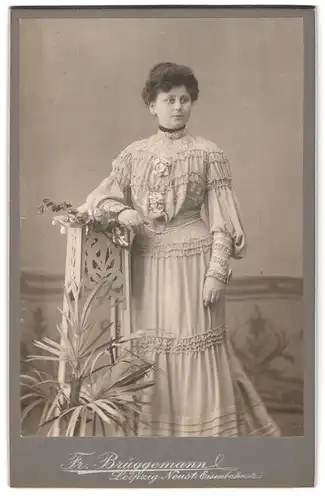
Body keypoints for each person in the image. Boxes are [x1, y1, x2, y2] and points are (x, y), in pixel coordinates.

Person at [77, 62, 281, 437]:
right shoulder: (133, 155)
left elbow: (223, 219)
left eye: (185, 99)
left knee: (195, 346)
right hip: (147, 266)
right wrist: (125, 212)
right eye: (169, 99)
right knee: (150, 347)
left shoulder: (208, 153)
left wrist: (216, 274)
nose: (178, 106)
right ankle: (156, 440)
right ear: (152, 105)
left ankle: (201, 439)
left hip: (194, 264)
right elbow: (98, 201)